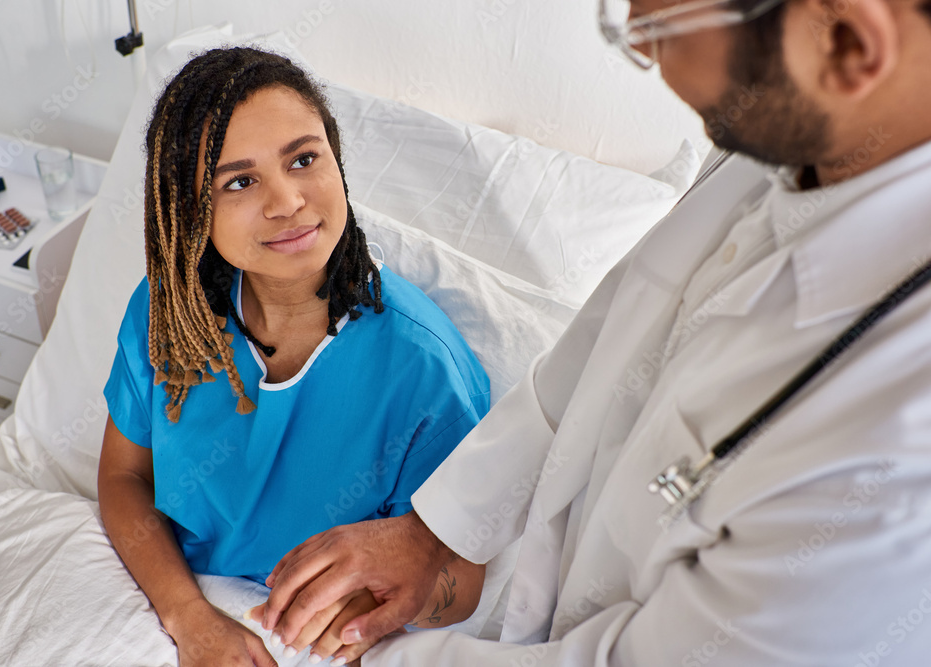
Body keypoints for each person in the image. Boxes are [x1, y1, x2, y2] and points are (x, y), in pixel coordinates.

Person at [253, 0, 931, 663]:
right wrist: (434, 532)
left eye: (662, 25)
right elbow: (610, 333)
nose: (637, 40)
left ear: (848, 45)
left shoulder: (893, 459)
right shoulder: (791, 129)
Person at [96, 47, 491, 667]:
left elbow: (463, 584)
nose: (287, 202)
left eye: (303, 159)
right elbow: (124, 478)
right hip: (168, 607)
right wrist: (191, 621)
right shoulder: (168, 314)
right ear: (191, 210)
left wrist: (387, 605)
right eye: (240, 181)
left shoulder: (423, 369)